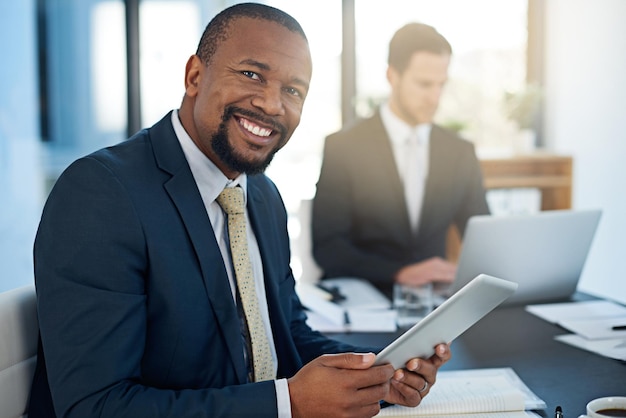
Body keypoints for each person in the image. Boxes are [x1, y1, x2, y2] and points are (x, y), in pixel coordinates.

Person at [28, 4, 451, 418]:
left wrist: (378, 375)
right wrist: (290, 404)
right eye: (251, 74)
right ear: (195, 75)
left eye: (293, 90)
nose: (271, 104)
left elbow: (287, 334)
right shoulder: (103, 192)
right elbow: (93, 407)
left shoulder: (262, 196)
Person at [312, 22, 490, 297]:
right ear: (392, 76)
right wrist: (399, 272)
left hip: (434, 303)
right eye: (424, 84)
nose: (435, 97)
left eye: (441, 84)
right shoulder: (344, 147)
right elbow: (328, 247)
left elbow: (482, 237)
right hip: (368, 297)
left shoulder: (459, 152)